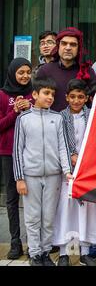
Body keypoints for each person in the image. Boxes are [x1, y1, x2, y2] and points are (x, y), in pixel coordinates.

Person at [13, 76, 72, 266]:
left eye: (53, 94)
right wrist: (19, 178)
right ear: (35, 94)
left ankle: (46, 252)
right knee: (32, 217)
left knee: (48, 217)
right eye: (46, 93)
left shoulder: (57, 118)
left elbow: (63, 147)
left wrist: (66, 171)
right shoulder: (23, 119)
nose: (50, 98)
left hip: (54, 176)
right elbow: (17, 151)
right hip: (30, 176)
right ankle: (35, 254)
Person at [53, 79, 96, 266]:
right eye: (72, 97)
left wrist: (84, 159)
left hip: (87, 170)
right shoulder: (59, 117)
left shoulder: (92, 115)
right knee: (66, 211)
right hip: (66, 171)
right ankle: (65, 251)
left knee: (87, 211)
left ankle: (84, 251)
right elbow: (59, 142)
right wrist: (71, 157)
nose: (76, 101)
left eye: (80, 97)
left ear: (87, 98)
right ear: (66, 97)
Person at [1, 58, 33, 260]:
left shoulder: (34, 93)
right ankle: (15, 242)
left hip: (31, 152)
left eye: (28, 72)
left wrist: (28, 108)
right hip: (8, 152)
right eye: (21, 72)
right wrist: (14, 112)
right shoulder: (2, 96)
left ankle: (35, 242)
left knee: (32, 199)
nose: (25, 76)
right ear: (12, 73)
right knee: (12, 199)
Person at [36, 27, 96, 112]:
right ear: (58, 46)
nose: (68, 48)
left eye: (73, 44)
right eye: (64, 43)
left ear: (78, 48)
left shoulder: (87, 72)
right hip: (52, 123)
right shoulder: (45, 71)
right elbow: (37, 102)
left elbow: (95, 102)